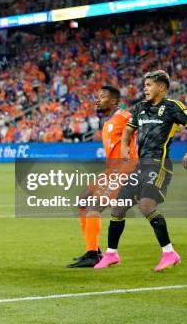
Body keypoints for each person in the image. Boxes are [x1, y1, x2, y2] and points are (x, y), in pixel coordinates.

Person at [95, 70, 187, 271]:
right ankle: (111, 254)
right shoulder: (140, 108)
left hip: (158, 164)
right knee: (118, 208)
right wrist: (125, 146)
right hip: (139, 165)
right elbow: (128, 129)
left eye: (149, 85)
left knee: (146, 206)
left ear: (161, 87)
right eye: (144, 85)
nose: (145, 88)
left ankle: (169, 253)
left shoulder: (172, 106)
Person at [67, 85, 138, 268]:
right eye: (97, 96)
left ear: (114, 101)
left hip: (125, 169)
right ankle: (94, 251)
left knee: (93, 206)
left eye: (102, 96)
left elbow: (141, 126)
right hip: (112, 170)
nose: (97, 100)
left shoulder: (124, 116)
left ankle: (93, 255)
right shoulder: (108, 122)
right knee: (83, 201)